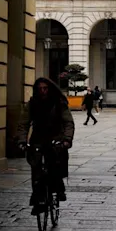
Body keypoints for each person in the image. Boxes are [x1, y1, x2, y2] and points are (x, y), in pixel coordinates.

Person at [15, 77, 74, 214]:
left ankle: (58, 188)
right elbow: (23, 123)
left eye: (45, 88)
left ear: (50, 88)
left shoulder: (59, 103)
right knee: (36, 168)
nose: (43, 91)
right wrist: (22, 141)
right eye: (40, 89)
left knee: (56, 161)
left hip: (55, 137)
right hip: (38, 138)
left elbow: (68, 123)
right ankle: (37, 198)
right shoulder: (32, 104)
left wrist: (66, 139)